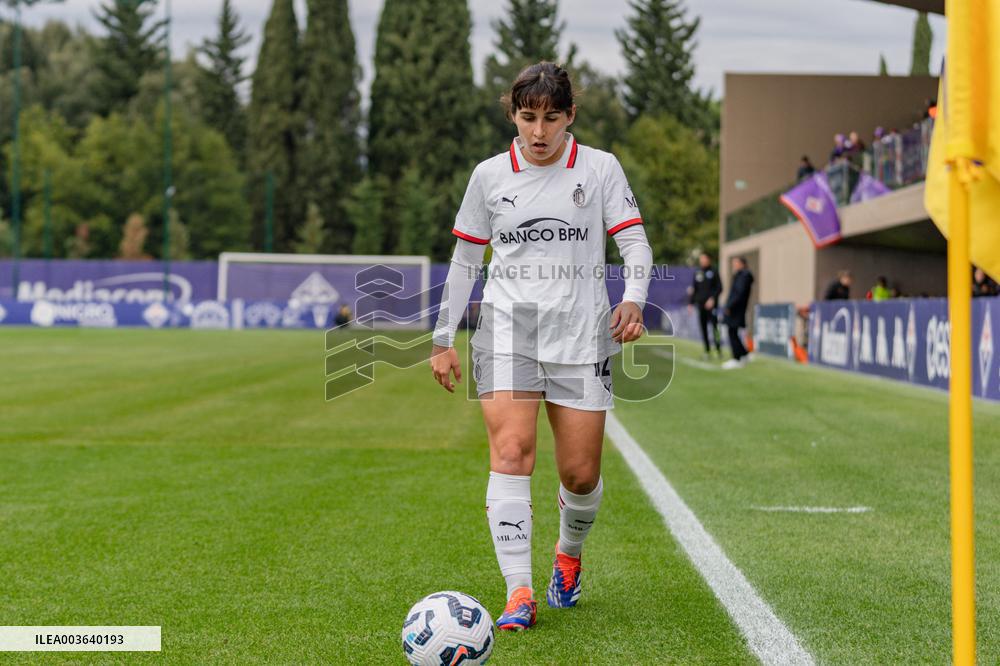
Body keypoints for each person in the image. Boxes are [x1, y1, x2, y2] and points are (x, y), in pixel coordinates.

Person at [429, 62, 652, 632]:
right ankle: (517, 591)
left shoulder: (600, 168)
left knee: (579, 474)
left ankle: (568, 555)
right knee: (511, 453)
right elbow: (464, 262)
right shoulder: (488, 176)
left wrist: (633, 298)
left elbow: (634, 242)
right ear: (513, 115)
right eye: (528, 118)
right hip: (506, 329)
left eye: (551, 118)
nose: (539, 132)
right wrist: (441, 338)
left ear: (570, 116)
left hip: (581, 333)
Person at [688, 252, 722, 358]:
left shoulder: (714, 271)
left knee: (715, 328)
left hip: (712, 306)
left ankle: (718, 350)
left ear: (709, 259)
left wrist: (712, 299)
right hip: (701, 305)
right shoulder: (698, 272)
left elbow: (720, 288)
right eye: (701, 259)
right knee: (703, 328)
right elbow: (694, 288)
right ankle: (707, 351)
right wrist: (691, 303)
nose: (702, 261)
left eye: (704, 258)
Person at [722, 256, 754, 369]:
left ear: (742, 263)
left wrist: (729, 306)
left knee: (732, 332)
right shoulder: (739, 275)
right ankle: (744, 354)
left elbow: (738, 294)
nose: (734, 265)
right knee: (733, 332)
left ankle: (737, 358)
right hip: (735, 308)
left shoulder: (744, 276)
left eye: (736, 263)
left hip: (736, 309)